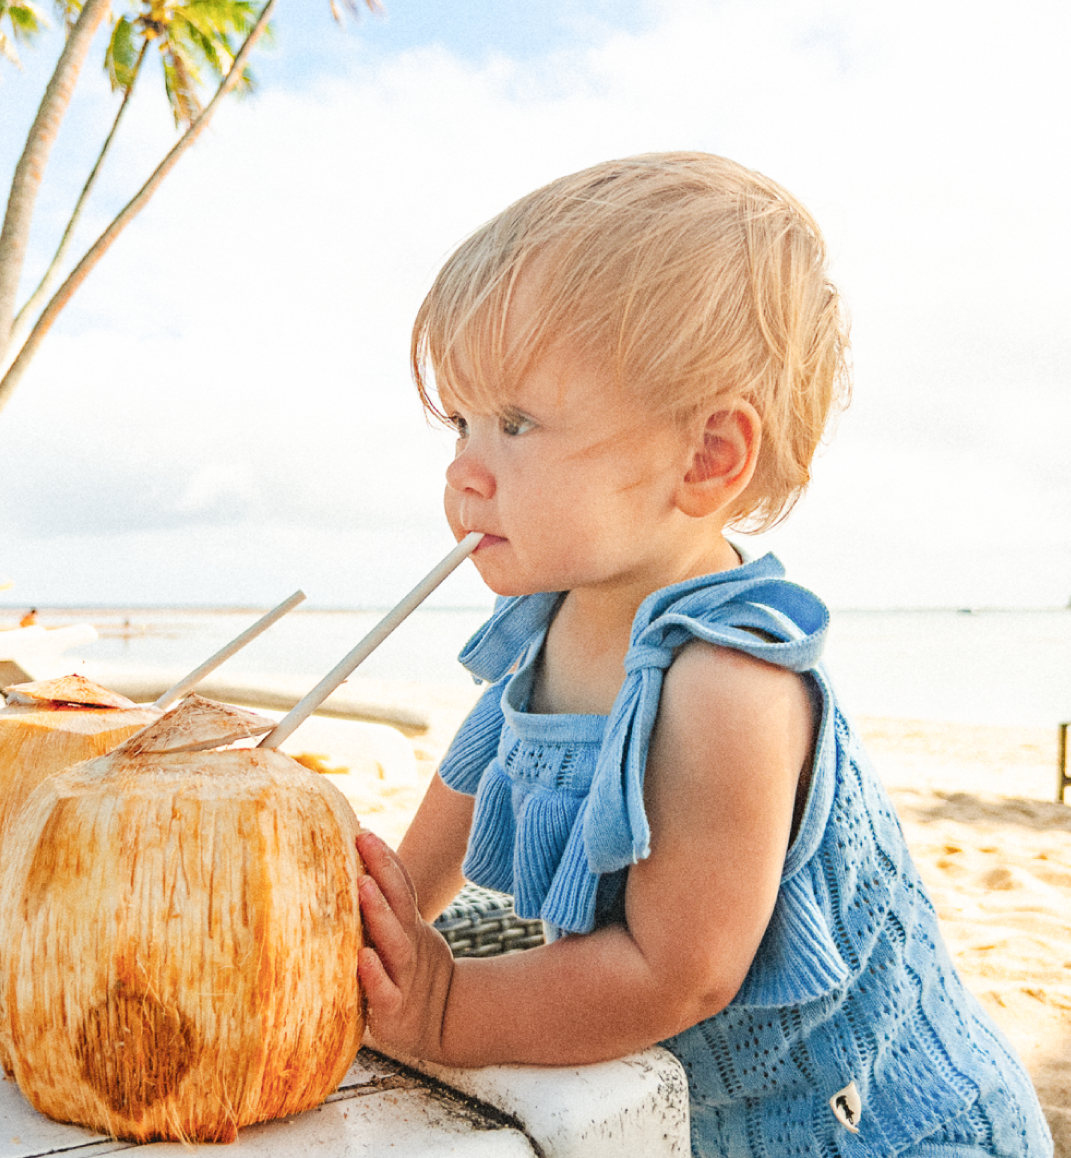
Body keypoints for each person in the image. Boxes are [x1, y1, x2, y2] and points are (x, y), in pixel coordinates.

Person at [355, 152, 1052, 1157]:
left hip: (879, 1130)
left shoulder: (729, 682)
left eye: (514, 423)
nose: (465, 470)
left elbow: (676, 974)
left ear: (707, 457)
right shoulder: (548, 628)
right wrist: (366, 926)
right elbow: (438, 842)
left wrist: (445, 1005)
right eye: (460, 421)